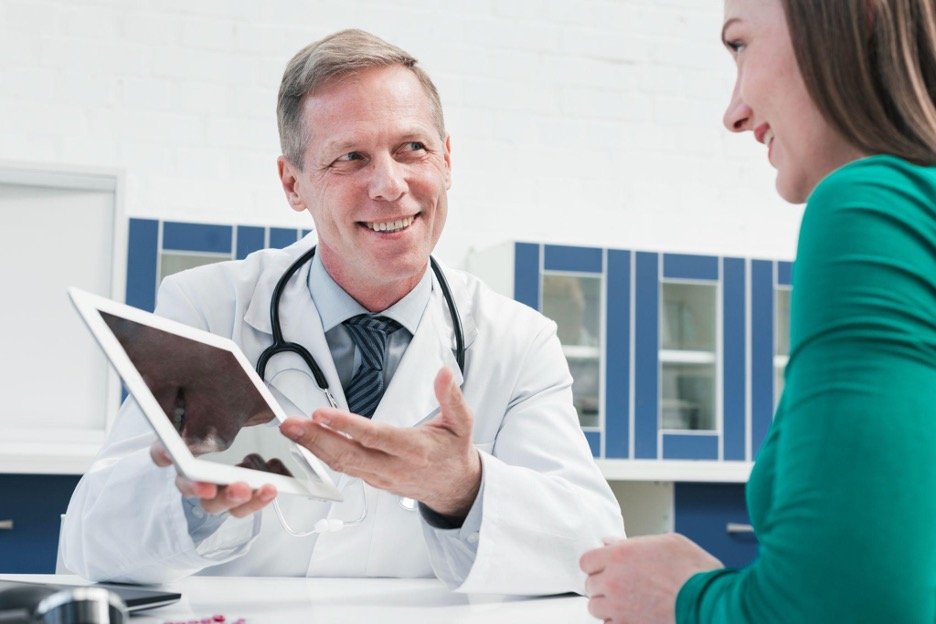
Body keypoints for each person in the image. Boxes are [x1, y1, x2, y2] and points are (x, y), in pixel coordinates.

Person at [61, 28, 623, 595]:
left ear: (447, 159)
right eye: (350, 157)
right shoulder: (208, 308)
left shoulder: (518, 342)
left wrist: (463, 488)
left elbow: (594, 551)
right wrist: (189, 501)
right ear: (293, 183)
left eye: (412, 148)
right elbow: (89, 545)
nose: (390, 185)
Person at [580, 0, 936, 621]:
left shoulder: (874, 204)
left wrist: (687, 597)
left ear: (856, 18)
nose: (734, 113)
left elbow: (848, 605)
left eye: (740, 45)